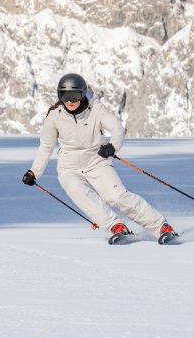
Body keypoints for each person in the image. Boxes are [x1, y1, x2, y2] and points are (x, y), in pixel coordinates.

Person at [24, 73, 176, 245]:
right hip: (69, 167)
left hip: (97, 162)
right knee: (79, 193)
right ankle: (116, 226)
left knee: (116, 197)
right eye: (65, 96)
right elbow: (46, 146)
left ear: (82, 94)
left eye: (74, 96)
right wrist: (34, 172)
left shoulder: (96, 109)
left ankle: (161, 226)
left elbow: (117, 128)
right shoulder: (54, 115)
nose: (70, 101)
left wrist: (112, 146)